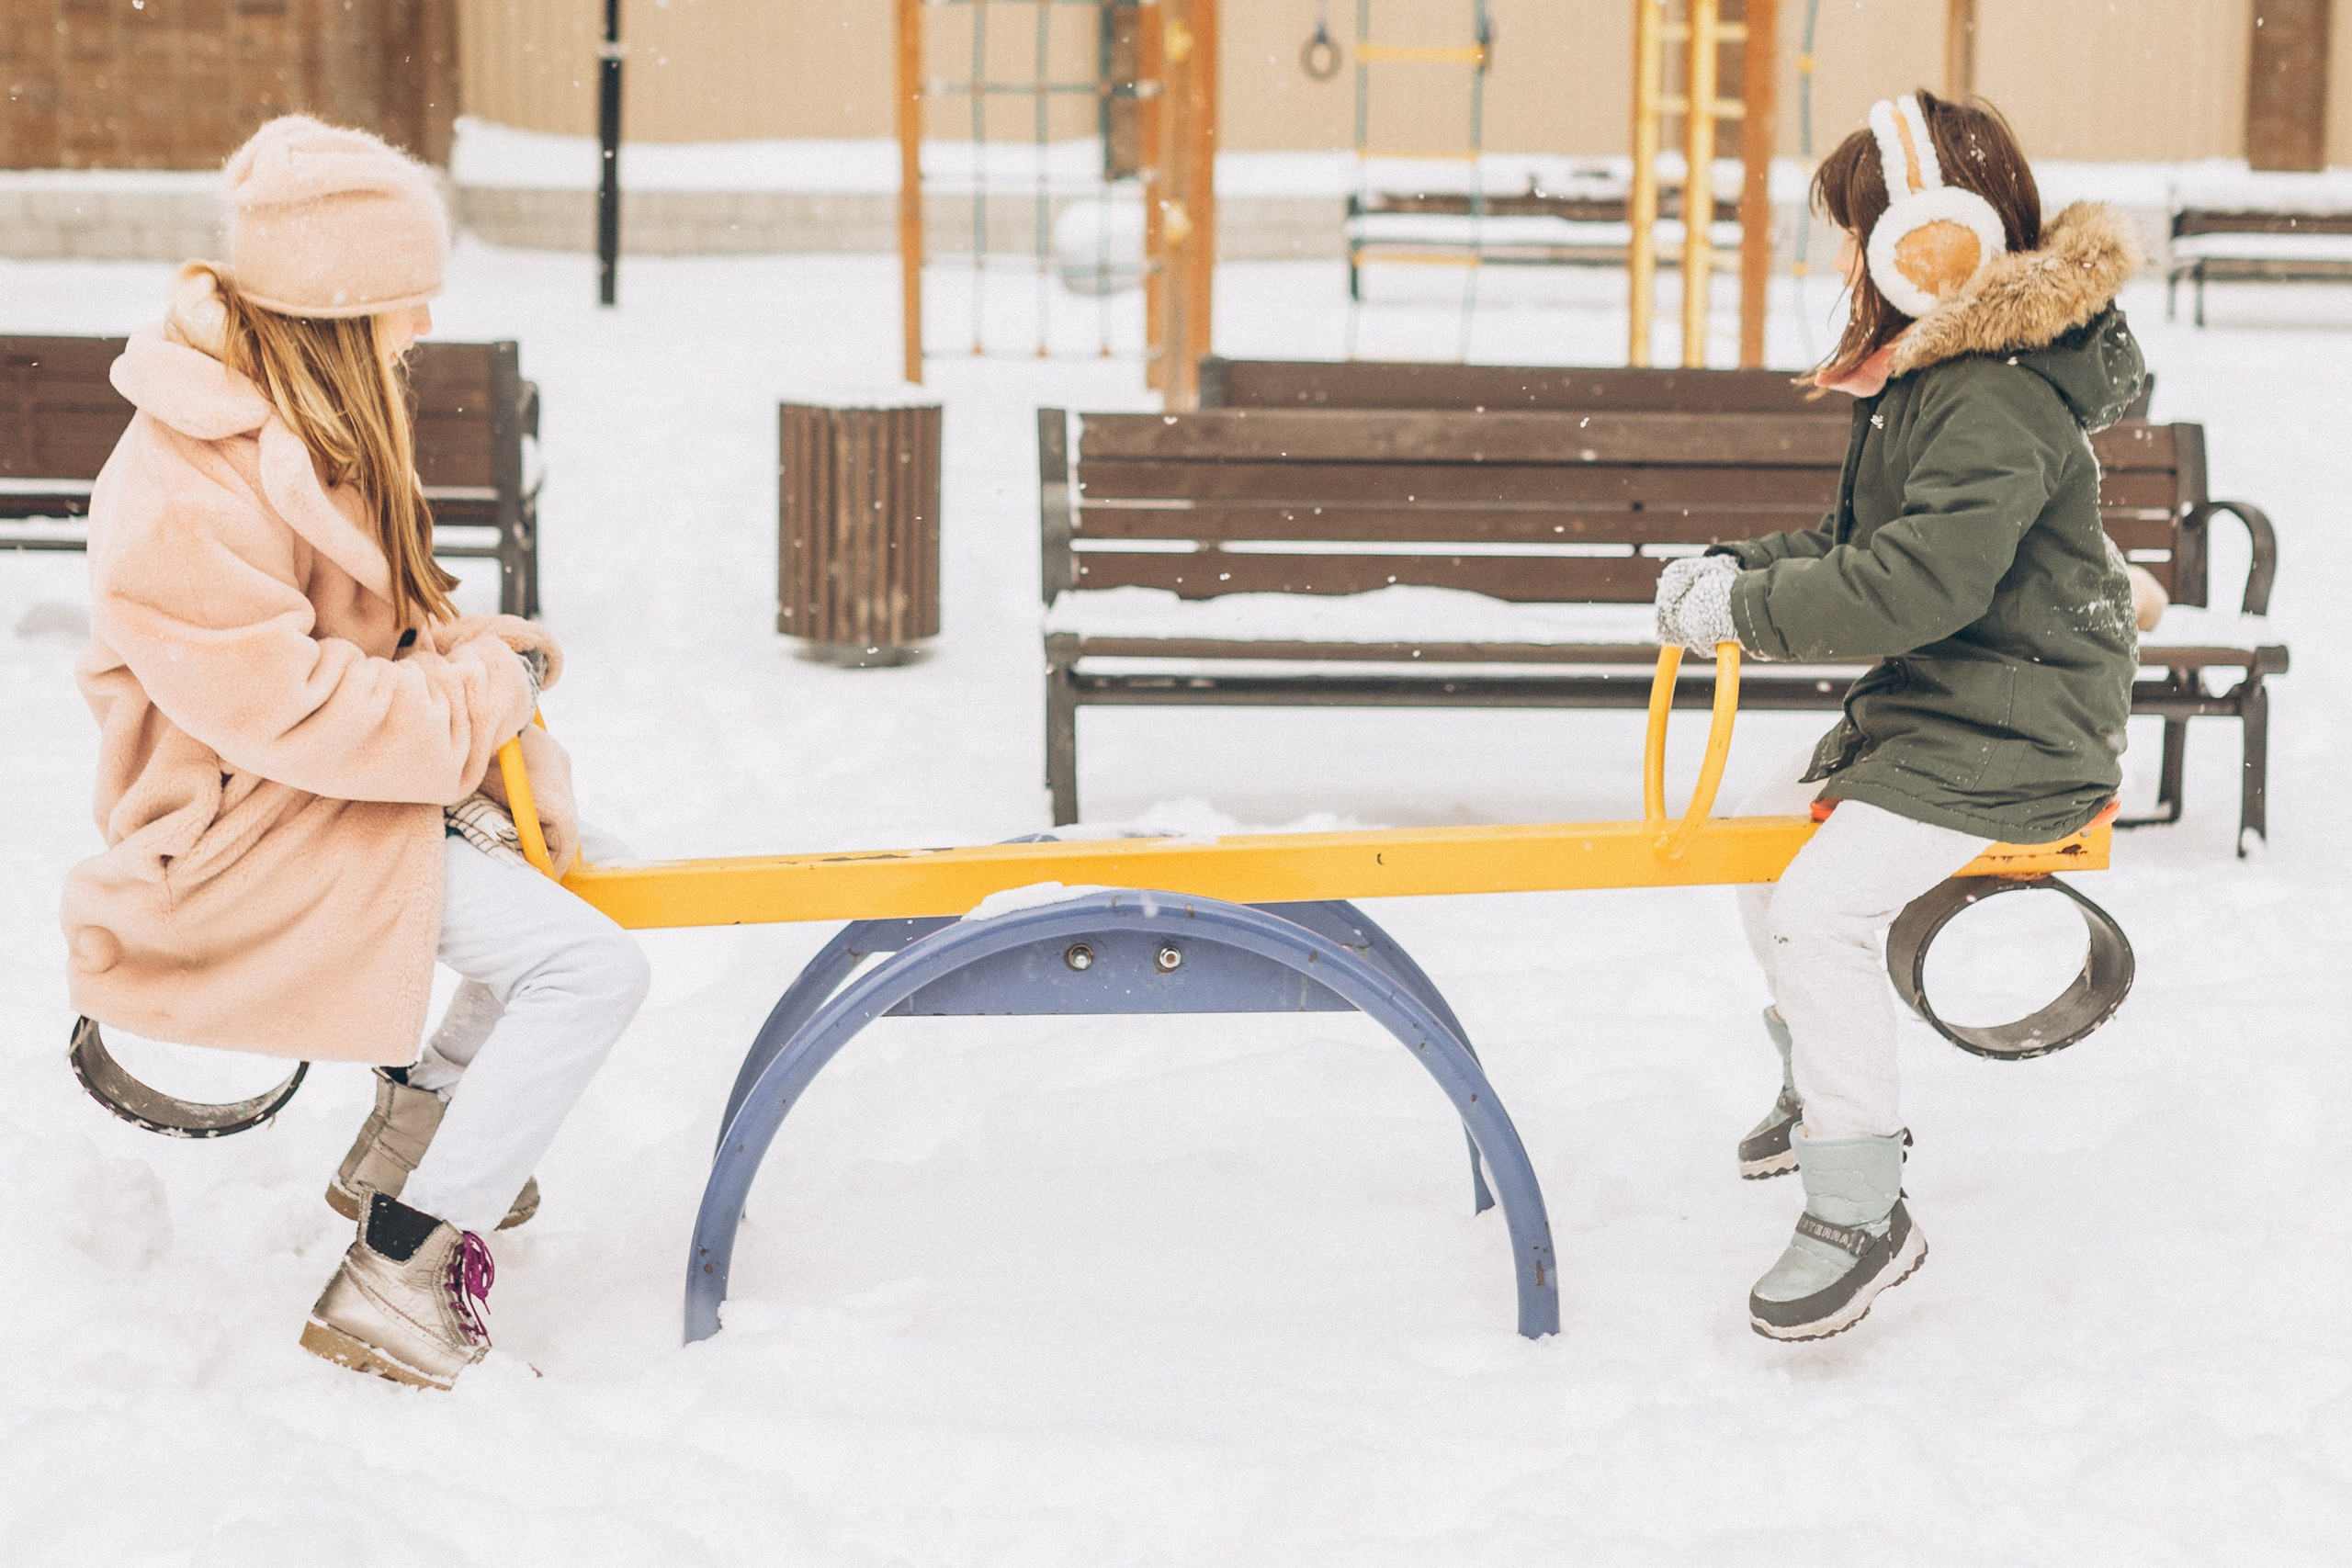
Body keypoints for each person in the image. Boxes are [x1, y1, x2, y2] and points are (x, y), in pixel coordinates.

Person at [62, 116, 650, 1389]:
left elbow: (379, 639)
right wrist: (478, 696)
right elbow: (297, 710)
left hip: (327, 798)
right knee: (589, 975)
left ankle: (408, 1140)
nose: (423, 325)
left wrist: (481, 661)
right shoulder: (185, 486)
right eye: (401, 300)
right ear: (332, 313)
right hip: (249, 829)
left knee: (583, 884)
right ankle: (405, 1265)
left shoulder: (304, 436)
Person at [1652, 93, 2144, 1341]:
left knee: (1820, 909)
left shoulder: (1991, 397)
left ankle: (1863, 1205)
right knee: (1765, 850)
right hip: (1944, 714)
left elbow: (1917, 585)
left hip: (2014, 734)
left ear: (1929, 242)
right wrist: (1732, 567)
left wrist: (1745, 613)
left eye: (1852, 237)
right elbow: (1857, 544)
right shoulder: (1932, 380)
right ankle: (1821, 1082)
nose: (1841, 264)